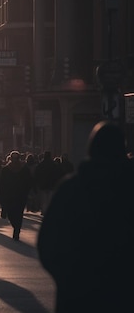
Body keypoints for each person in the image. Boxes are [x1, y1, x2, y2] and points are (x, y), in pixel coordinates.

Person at [37, 121, 134, 312]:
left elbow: (47, 243)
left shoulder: (71, 188)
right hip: (124, 293)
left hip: (76, 295)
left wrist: (65, 278)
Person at [0, 151, 32, 240]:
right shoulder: (6, 169)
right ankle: (15, 226)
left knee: (19, 213)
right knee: (11, 214)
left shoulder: (24, 169)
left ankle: (17, 229)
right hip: (10, 195)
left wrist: (28, 192)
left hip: (20, 195)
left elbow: (29, 182)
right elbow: (2, 184)